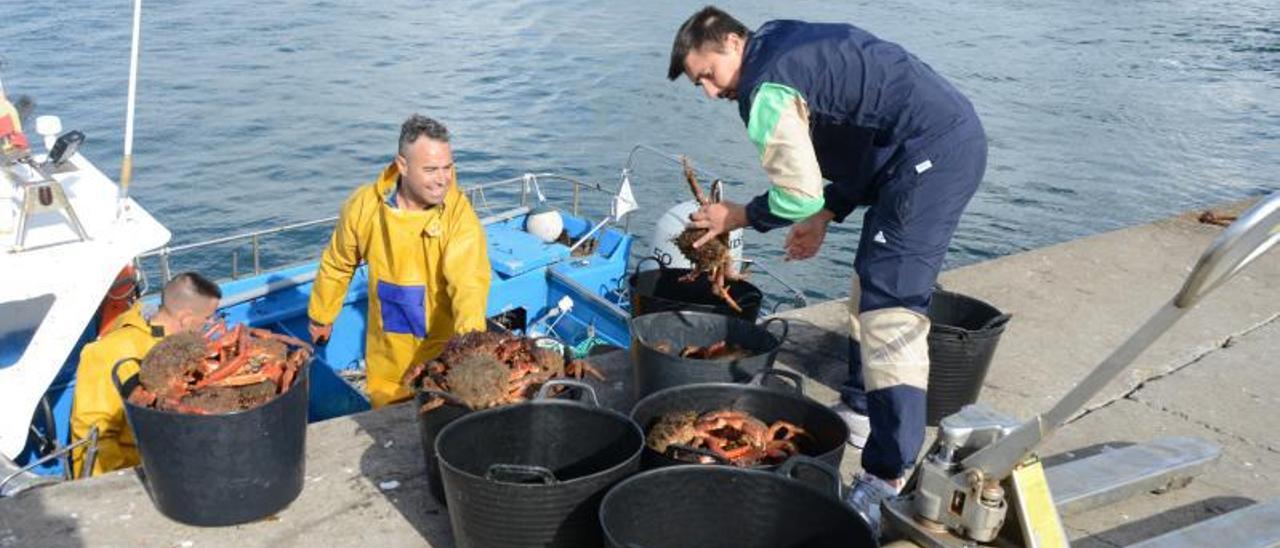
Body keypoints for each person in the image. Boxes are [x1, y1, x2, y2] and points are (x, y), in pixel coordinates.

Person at [667, 6, 987, 534]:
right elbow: (865, 120)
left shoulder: (764, 89)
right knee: (872, 283)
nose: (709, 92)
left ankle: (886, 477)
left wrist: (739, 214)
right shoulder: (781, 42)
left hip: (929, 155)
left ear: (730, 42)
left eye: (707, 74)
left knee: (891, 313)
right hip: (924, 142)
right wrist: (828, 211)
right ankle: (864, 406)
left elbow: (795, 192)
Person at [308, 114, 491, 408]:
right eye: (431, 169)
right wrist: (321, 315)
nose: (442, 179)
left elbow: (469, 284)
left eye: (448, 168)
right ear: (402, 166)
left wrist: (471, 345)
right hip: (387, 356)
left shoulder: (459, 217)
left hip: (442, 356)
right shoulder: (365, 206)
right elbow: (338, 262)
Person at [70, 272, 222, 477]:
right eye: (207, 318)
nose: (210, 324)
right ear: (186, 319)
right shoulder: (107, 352)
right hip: (141, 469)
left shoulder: (186, 344)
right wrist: (114, 487)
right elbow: (92, 433)